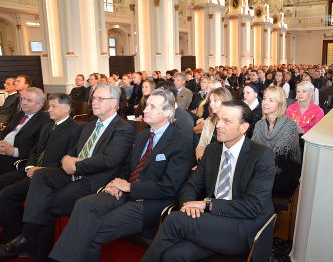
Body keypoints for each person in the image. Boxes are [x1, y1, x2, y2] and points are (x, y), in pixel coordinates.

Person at [49, 89, 193, 262]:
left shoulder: (180, 142)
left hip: (150, 202)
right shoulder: (143, 135)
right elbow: (128, 167)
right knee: (84, 204)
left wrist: (130, 187)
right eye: (146, 105)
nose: (145, 110)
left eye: (152, 107)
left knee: (92, 228)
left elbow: (170, 187)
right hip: (125, 191)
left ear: (168, 112)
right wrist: (118, 182)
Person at [0, 84, 135, 260]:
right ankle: (28, 237)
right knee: (41, 175)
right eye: (94, 98)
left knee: (46, 203)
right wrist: (66, 159)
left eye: (100, 99)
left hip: (94, 180)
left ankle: (36, 247)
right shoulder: (89, 125)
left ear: (114, 103)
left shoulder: (123, 128)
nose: (94, 102)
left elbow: (110, 159)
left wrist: (76, 165)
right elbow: (73, 151)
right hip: (72, 172)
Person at [140, 100, 275, 262]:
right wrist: (190, 205)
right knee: (173, 255)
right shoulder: (212, 151)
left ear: (243, 128)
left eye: (226, 121)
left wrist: (208, 204)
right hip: (212, 223)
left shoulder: (261, 155)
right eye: (218, 119)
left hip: (243, 228)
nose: (218, 125)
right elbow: (191, 184)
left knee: (175, 220)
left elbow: (252, 207)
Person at [0, 93, 82, 244]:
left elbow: (66, 158)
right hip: (31, 169)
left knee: (7, 194)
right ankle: (12, 229)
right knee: (2, 181)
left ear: (66, 109)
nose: (48, 110)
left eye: (53, 106)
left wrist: (40, 169)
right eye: (49, 106)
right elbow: (35, 150)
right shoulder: (47, 126)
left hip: (47, 175)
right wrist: (30, 166)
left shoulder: (75, 129)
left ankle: (12, 238)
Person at [252, 86, 302, 195]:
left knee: (251, 184)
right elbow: (252, 152)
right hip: (263, 170)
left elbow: (279, 157)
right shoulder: (259, 125)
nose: (265, 103)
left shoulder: (290, 125)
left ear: (280, 104)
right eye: (264, 98)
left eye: (271, 100)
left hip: (284, 173)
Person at [0, 87, 50, 175]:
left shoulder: (45, 120)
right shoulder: (20, 114)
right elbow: (5, 132)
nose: (24, 102)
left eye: (29, 100)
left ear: (39, 104)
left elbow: (38, 148)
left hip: (16, 158)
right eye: (23, 99)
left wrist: (14, 151)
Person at [195, 87, 232, 161]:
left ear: (225, 101)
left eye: (215, 100)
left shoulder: (234, 122)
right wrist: (201, 160)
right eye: (210, 101)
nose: (211, 104)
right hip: (207, 160)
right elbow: (201, 146)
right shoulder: (209, 121)